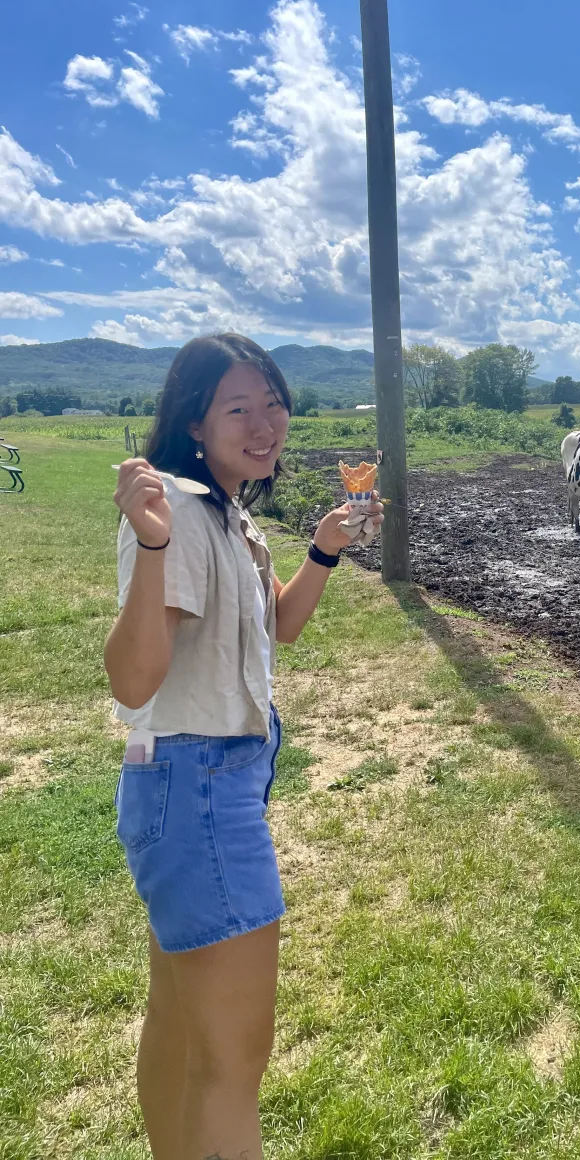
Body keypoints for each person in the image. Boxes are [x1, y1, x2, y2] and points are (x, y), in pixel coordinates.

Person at [104, 332, 383, 1160]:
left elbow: (281, 626)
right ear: (195, 421)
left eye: (273, 402)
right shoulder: (182, 515)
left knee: (185, 1025)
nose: (264, 423)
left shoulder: (231, 515)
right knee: (235, 1060)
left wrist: (326, 545)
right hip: (199, 791)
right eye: (238, 407)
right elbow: (133, 679)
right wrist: (151, 545)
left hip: (191, 789)